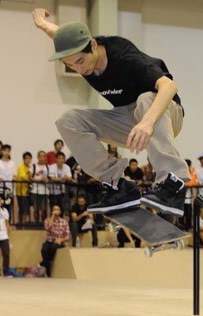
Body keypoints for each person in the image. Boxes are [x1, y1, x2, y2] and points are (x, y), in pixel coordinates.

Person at [33, 10, 189, 216]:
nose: (80, 70)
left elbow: (168, 87)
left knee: (145, 99)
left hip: (164, 113)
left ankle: (173, 184)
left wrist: (147, 123)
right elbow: (60, 35)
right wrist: (43, 24)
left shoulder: (124, 56)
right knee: (68, 121)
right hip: (128, 121)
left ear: (94, 46)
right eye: (71, 66)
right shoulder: (77, 52)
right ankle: (118, 184)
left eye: (80, 61)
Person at [40, 203, 70, 277]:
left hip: (59, 242)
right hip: (49, 240)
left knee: (54, 247)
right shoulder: (47, 220)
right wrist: (52, 216)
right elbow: (48, 228)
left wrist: (61, 240)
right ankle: (48, 267)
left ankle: (45, 263)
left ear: (60, 212)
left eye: (57, 210)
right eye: (54, 210)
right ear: (51, 211)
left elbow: (68, 236)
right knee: (44, 249)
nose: (56, 211)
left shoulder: (64, 222)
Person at [0, 144, 17, 220]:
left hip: (10, 188)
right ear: (2, 151)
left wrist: (13, 178)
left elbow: (15, 175)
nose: (7, 152)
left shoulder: (12, 163)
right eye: (5, 150)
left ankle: (8, 223)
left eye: (8, 151)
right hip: (0, 188)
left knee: (9, 205)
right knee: (0, 204)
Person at [30, 150, 49, 223]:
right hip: (35, 190)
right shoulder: (34, 166)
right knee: (36, 209)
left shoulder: (48, 167)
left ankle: (44, 223)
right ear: (38, 157)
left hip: (45, 191)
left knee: (44, 209)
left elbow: (50, 177)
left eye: (44, 156)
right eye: (40, 156)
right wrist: (39, 180)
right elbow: (30, 177)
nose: (42, 158)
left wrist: (46, 180)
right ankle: (36, 223)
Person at [16, 152, 33, 225]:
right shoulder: (21, 167)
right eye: (26, 158)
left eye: (29, 158)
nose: (28, 160)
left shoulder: (30, 167)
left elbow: (30, 177)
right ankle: (22, 224)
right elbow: (24, 178)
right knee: (23, 209)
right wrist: (31, 179)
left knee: (25, 209)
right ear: (23, 159)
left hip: (27, 191)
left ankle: (23, 223)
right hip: (21, 192)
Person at [184, 159, 199, 231]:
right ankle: (182, 227)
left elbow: (194, 183)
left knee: (189, 213)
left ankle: (189, 227)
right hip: (181, 197)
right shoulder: (180, 173)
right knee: (182, 214)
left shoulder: (192, 174)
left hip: (189, 198)